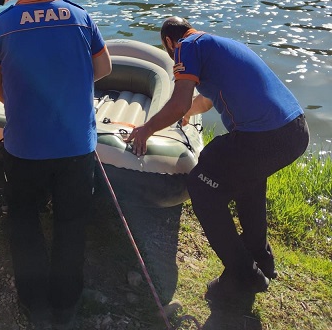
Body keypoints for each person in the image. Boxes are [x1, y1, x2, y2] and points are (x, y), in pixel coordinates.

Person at [127, 17, 309, 306]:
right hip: (294, 130)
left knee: (202, 186)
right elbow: (205, 102)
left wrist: (146, 129)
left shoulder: (186, 47)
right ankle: (262, 260)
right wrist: (185, 115)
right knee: (249, 182)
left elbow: (180, 102)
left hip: (262, 136)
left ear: (169, 43)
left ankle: (243, 275)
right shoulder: (216, 44)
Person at [0, 0, 112, 330]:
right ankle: (66, 304)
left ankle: (35, 306)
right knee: (71, 223)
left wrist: (22, 102)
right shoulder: (80, 17)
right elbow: (103, 69)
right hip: (76, 145)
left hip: (24, 146)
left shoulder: (1, 24)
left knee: (24, 222)